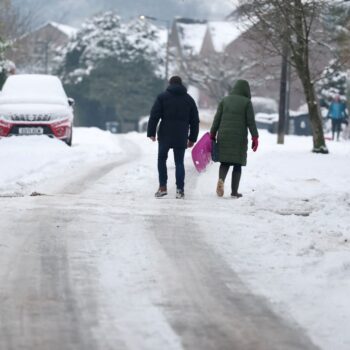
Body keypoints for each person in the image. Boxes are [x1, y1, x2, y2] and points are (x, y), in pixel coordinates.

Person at [147, 76, 200, 199]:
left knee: (161, 159)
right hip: (181, 135)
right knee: (179, 162)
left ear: (170, 84)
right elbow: (195, 121)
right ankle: (180, 190)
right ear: (181, 84)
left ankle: (162, 187)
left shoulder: (162, 97)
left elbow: (154, 115)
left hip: (165, 134)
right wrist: (192, 138)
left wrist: (151, 132)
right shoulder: (189, 99)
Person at [210, 79, 258, 198]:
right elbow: (251, 122)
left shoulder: (224, 100)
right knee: (237, 164)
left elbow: (217, 119)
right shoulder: (246, 102)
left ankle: (221, 180)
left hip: (224, 135)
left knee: (225, 162)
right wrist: (255, 137)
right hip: (239, 137)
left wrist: (212, 133)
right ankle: (234, 191)